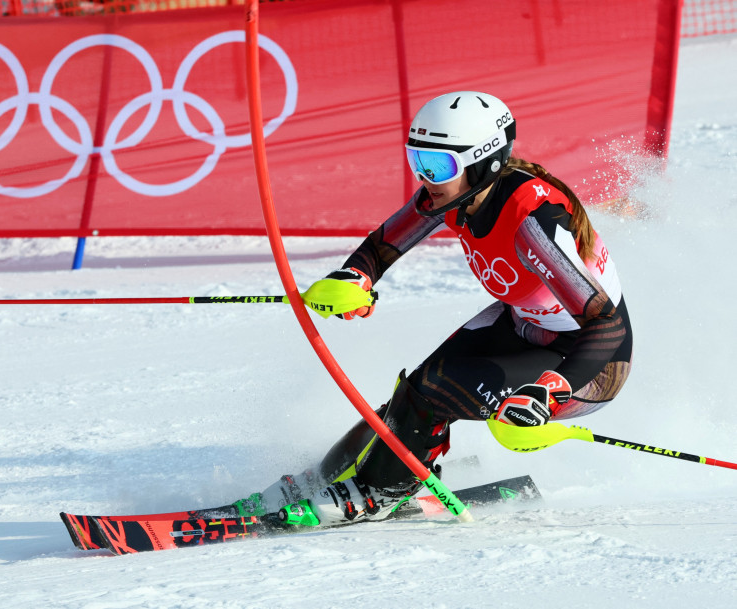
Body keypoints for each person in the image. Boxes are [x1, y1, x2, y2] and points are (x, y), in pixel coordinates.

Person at [253, 91, 633, 525]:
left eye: (438, 166)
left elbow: (607, 326)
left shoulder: (533, 223)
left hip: (590, 362)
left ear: (483, 163)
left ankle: (378, 492)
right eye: (417, 161)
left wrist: (549, 392)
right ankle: (324, 478)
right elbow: (383, 245)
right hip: (523, 324)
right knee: (410, 397)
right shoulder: (456, 196)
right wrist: (356, 277)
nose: (425, 177)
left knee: (433, 393)